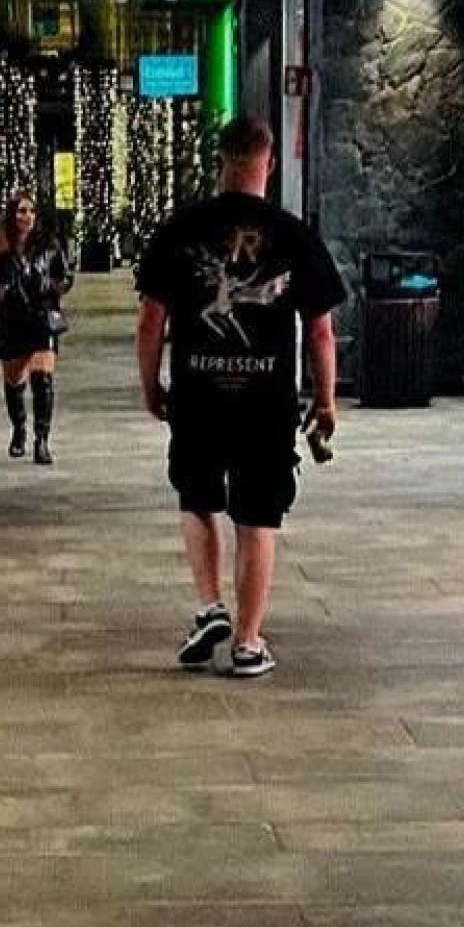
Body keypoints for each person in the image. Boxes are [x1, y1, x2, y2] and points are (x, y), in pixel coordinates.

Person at [135, 111, 343, 679]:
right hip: (266, 402)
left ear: (219, 162)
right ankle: (248, 643)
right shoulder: (294, 235)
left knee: (197, 498)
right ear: (268, 164)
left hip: (199, 395)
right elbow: (321, 332)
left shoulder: (181, 229)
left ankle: (210, 607)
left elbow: (151, 320)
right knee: (259, 514)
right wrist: (325, 401)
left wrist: (151, 386)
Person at [0, 187, 74, 463]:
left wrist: (53, 286)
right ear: (11, 215)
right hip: (12, 321)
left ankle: (42, 439)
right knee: (15, 380)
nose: (26, 217)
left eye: (31, 211)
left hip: (42, 317)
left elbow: (66, 275)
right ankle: (19, 428)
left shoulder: (49, 246)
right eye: (21, 211)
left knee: (43, 379)